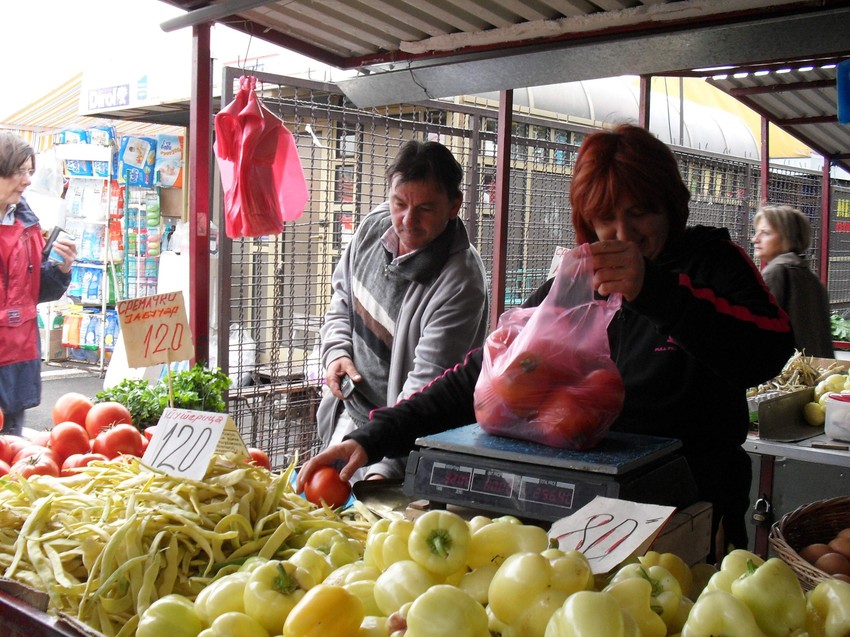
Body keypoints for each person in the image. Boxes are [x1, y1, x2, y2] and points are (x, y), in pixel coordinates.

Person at [315, 139, 489, 481]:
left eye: (425, 208)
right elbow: (342, 297)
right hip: (345, 416)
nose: (407, 221)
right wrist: (335, 351)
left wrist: (386, 467)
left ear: (454, 206)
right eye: (399, 203)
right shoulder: (371, 228)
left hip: (394, 444)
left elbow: (428, 387)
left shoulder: (462, 283)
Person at [0, 133, 76, 435]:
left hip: (18, 359)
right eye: (19, 171)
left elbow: (34, 292)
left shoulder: (28, 224)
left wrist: (60, 267)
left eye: (30, 171)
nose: (28, 180)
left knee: (10, 457)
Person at [752, 204, 833, 358]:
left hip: (788, 375)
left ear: (786, 238)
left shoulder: (776, 272)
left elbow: (759, 332)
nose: (755, 239)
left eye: (765, 233)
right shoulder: (810, 277)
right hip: (818, 372)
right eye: (756, 232)